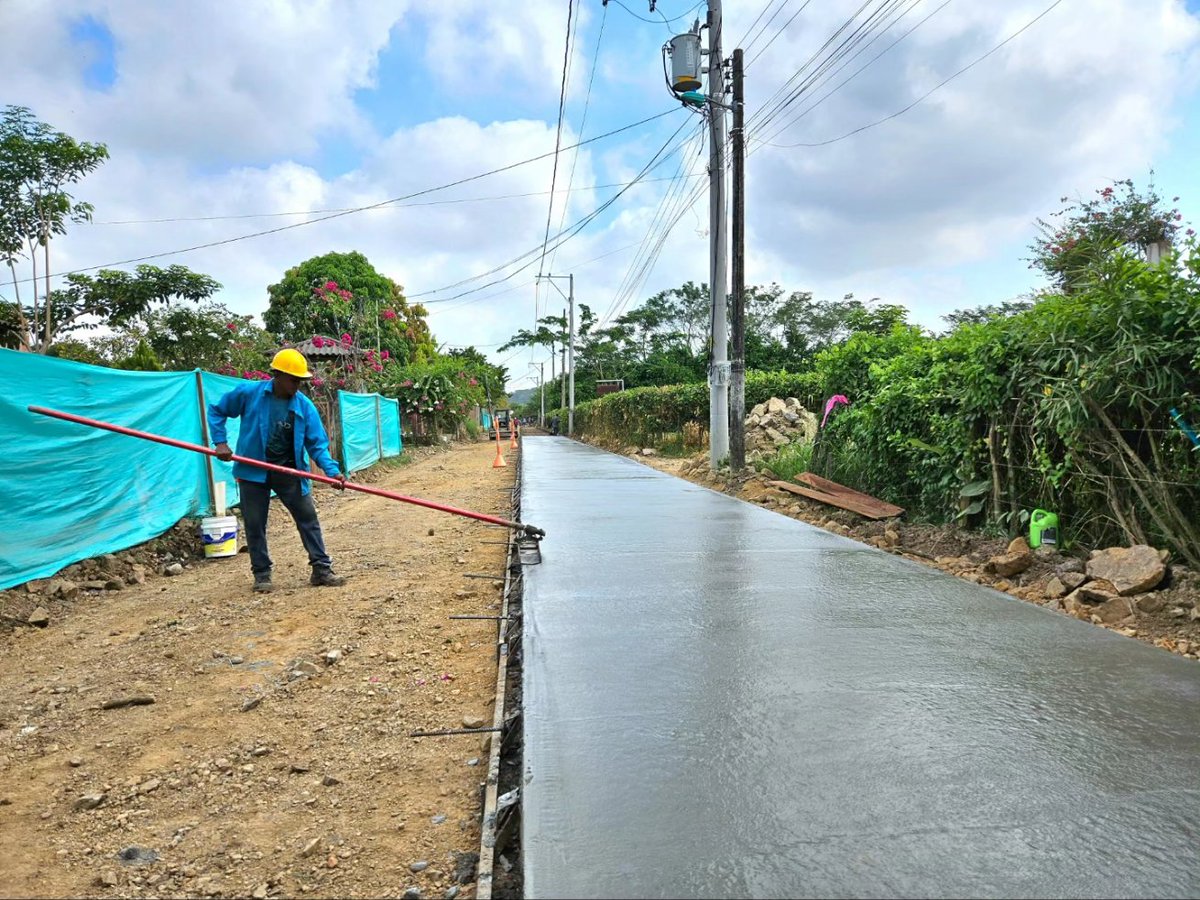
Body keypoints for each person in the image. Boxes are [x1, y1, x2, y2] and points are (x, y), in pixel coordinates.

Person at [208, 348, 348, 593]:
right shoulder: (249, 394)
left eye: (301, 381)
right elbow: (217, 410)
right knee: (254, 523)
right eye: (294, 380)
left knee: (308, 519)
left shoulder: (304, 407)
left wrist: (331, 471)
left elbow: (317, 444)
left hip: (290, 473)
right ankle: (262, 574)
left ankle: (321, 569)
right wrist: (220, 441)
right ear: (278, 375)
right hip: (253, 471)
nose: (298, 386)